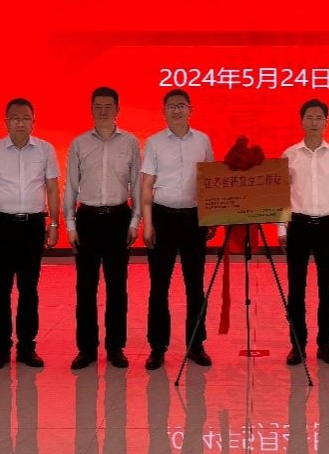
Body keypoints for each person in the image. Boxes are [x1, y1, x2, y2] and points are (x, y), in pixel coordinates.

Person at [0, 97, 61, 371]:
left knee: (28, 289)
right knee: (0, 291)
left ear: (33, 121)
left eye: (25, 118)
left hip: (32, 226)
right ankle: (0, 349)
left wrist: (54, 224)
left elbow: (52, 188)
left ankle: (26, 347)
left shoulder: (45, 149)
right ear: (6, 121)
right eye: (15, 118)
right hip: (0, 226)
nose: (20, 123)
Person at [64, 86, 141, 371]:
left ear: (118, 109)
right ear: (91, 109)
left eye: (109, 106)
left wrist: (135, 221)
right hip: (88, 219)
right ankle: (86, 349)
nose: (103, 111)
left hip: (119, 218)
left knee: (117, 287)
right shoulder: (79, 143)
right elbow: (70, 185)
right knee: (86, 288)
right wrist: (70, 224)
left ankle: (115, 347)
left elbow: (137, 184)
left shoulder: (130, 143)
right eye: (98, 106)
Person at [140, 89, 216, 371]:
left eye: (181, 105)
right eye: (171, 106)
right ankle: (157, 347)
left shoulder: (203, 140)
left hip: (194, 219)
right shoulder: (154, 142)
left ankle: (196, 345)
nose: (176, 110)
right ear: (164, 111)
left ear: (190, 109)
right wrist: (148, 223)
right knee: (159, 286)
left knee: (195, 286)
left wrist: (211, 217)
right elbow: (147, 185)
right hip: (163, 218)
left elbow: (210, 182)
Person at [280, 98, 329, 368]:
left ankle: (325, 344)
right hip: (297, 225)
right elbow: (282, 195)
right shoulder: (290, 155)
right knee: (296, 289)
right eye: (309, 117)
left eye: (319, 117)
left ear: (326, 122)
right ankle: (297, 344)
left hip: (325, 226)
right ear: (301, 121)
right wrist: (281, 228)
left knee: (327, 289)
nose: (313, 122)